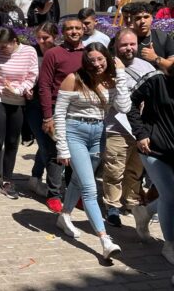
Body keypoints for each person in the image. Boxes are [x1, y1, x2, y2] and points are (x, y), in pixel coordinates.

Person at [54, 43, 130, 260]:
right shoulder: (73, 79)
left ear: (108, 58)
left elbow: (124, 107)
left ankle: (65, 216)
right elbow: (59, 114)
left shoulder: (111, 80)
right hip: (74, 131)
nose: (96, 64)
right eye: (91, 61)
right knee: (89, 188)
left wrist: (121, 73)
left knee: (79, 179)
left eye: (100, 59)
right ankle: (105, 240)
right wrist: (62, 147)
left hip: (98, 133)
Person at [100, 29, 154, 228]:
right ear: (116, 46)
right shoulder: (106, 66)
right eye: (124, 45)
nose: (129, 48)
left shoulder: (146, 66)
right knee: (114, 170)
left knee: (135, 170)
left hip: (139, 130)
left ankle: (132, 203)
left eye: (132, 44)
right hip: (116, 127)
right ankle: (112, 206)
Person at [0, 27, 38, 201]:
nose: (2, 49)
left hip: (17, 99)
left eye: (5, 46)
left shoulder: (29, 52)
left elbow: (32, 76)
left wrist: (18, 90)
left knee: (13, 142)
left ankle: (7, 180)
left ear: (15, 42)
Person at [127, 59, 174, 265]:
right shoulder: (156, 79)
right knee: (170, 196)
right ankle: (169, 245)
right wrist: (141, 133)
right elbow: (130, 104)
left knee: (169, 197)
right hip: (153, 148)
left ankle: (144, 211)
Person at [38, 18, 85, 213]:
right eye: (69, 29)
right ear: (63, 32)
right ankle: (54, 194)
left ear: (83, 30)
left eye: (77, 28)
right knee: (57, 155)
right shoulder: (53, 54)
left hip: (82, 111)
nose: (74, 32)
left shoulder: (90, 53)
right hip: (58, 110)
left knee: (77, 155)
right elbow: (44, 86)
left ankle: (75, 193)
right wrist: (48, 116)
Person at [26, 22, 60, 197]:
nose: (40, 41)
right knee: (45, 144)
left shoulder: (59, 52)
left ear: (54, 37)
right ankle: (53, 185)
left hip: (55, 105)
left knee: (49, 143)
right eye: (38, 37)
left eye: (45, 38)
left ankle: (35, 177)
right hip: (34, 105)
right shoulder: (31, 52)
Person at [128, 2, 174, 71]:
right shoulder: (124, 40)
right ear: (131, 20)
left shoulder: (163, 37)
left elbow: (171, 66)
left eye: (146, 17)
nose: (142, 21)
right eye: (138, 18)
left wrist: (155, 58)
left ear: (152, 18)